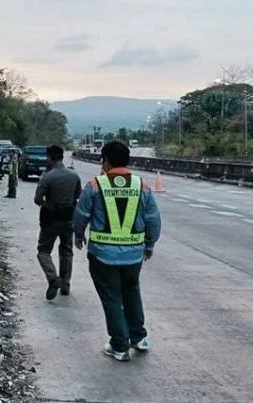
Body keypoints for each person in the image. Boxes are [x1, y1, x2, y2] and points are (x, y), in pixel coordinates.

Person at [73, 141, 161, 362]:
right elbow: (153, 219)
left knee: (112, 297)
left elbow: (81, 213)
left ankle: (119, 345)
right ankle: (139, 337)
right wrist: (149, 244)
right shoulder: (143, 186)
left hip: (103, 254)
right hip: (133, 255)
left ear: (106, 161)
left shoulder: (95, 185)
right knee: (132, 291)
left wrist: (78, 234)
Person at [33, 145, 82, 300]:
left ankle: (54, 278)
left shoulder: (47, 177)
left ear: (49, 158)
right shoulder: (74, 176)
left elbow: (37, 199)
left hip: (51, 219)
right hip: (69, 218)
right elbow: (78, 196)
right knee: (66, 251)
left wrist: (46, 204)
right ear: (61, 157)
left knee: (43, 251)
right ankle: (66, 285)